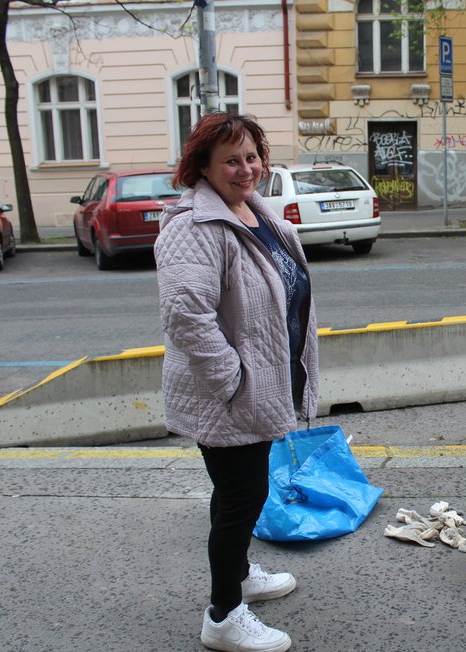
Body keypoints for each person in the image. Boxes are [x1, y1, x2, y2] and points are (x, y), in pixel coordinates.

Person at [154, 112, 319, 652]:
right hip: (227, 397)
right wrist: (235, 382)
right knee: (242, 498)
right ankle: (223, 616)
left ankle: (240, 573)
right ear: (203, 166)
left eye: (252, 156)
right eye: (231, 159)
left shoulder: (255, 213)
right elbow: (186, 315)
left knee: (236, 495)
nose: (246, 168)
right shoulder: (194, 227)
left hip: (253, 390)